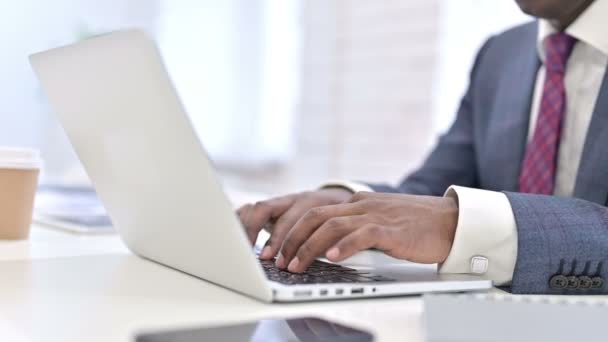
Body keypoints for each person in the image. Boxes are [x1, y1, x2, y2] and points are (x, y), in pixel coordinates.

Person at [237, 0, 608, 295]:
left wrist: (463, 224)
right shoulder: (501, 54)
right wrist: (347, 204)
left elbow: (451, 216)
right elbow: (432, 191)